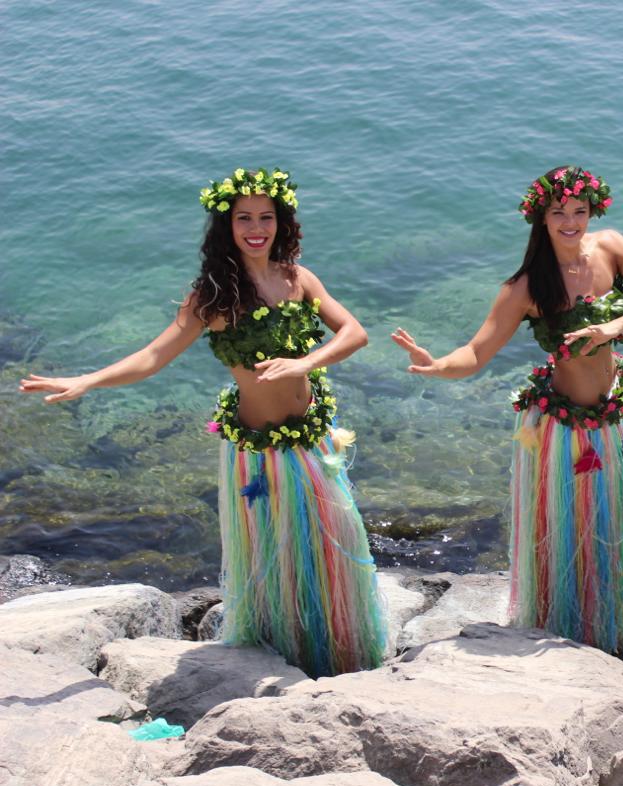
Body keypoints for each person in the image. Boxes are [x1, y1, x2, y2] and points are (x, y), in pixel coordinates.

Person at [19, 168, 385, 678]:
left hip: (313, 441)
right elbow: (152, 357)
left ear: (280, 222)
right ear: (226, 226)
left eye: (265, 217)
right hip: (258, 457)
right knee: (275, 559)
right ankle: (285, 648)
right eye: (243, 218)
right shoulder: (212, 297)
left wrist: (305, 362)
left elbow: (355, 333)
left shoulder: (298, 279)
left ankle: (342, 654)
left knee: (333, 548)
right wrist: (88, 380)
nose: (255, 228)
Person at [392, 166, 623, 653]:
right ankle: (568, 617)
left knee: (616, 524)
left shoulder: (611, 248)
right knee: (567, 530)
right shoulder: (526, 287)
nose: (571, 222)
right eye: (558, 213)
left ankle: (616, 618)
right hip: (563, 430)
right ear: (540, 218)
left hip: (614, 418)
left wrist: (612, 327)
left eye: (579, 211)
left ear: (593, 211)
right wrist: (437, 365)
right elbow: (476, 352)